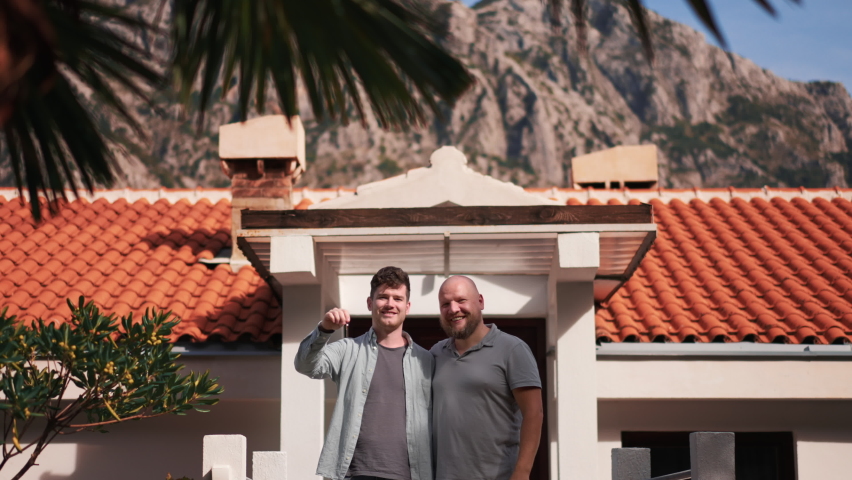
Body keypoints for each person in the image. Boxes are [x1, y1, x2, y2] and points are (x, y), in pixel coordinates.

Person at [294, 266, 434, 480]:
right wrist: (324, 329)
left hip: (411, 475)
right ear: (370, 303)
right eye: (383, 297)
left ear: (407, 306)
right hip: (353, 473)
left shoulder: (427, 360)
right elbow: (306, 365)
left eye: (397, 298)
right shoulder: (347, 349)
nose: (390, 304)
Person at [431, 275, 543, 480]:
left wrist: (522, 473)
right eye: (445, 304)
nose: (453, 309)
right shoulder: (436, 353)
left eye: (461, 300)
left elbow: (534, 413)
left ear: (480, 301)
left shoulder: (512, 349)